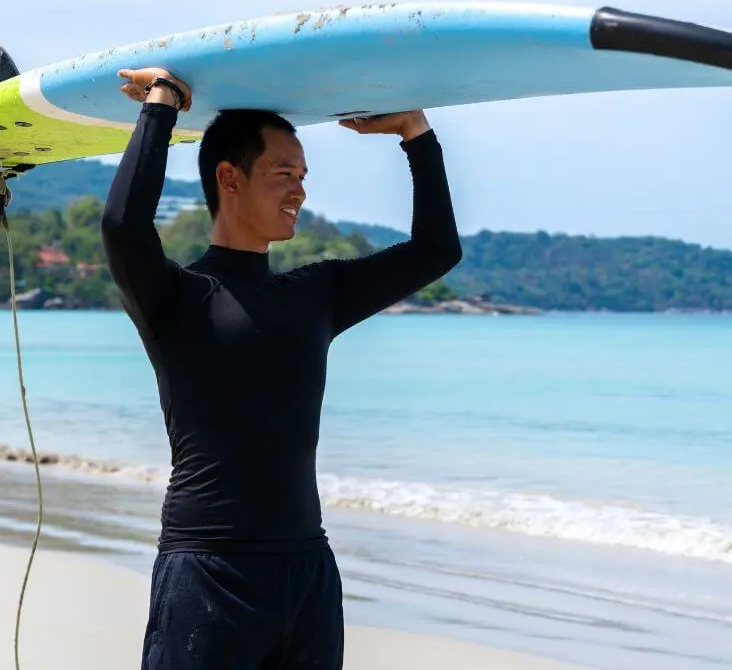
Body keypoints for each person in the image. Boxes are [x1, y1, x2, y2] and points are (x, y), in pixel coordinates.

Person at [101, 66, 462, 669]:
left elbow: (437, 249)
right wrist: (162, 106)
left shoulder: (316, 294)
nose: (299, 191)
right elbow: (123, 224)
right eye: (282, 175)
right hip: (209, 572)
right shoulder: (174, 299)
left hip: (308, 573)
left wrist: (415, 132)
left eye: (302, 176)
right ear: (228, 178)